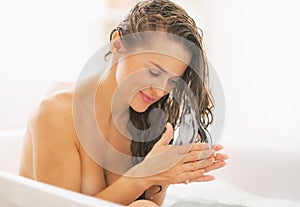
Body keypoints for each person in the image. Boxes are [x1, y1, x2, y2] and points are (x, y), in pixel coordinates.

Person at [19, 0, 228, 206]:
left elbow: (150, 202)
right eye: (154, 72)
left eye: (172, 81)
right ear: (118, 45)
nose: (161, 90)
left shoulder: (147, 120)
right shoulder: (57, 112)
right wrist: (145, 174)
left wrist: (165, 171)